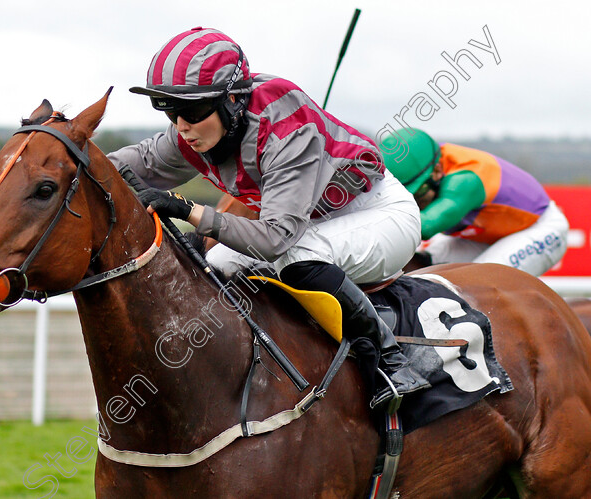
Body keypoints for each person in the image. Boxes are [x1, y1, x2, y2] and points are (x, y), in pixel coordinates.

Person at [107, 27, 429, 408]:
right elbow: (134, 164)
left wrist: (186, 209)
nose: (181, 127)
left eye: (191, 111)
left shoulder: (286, 131)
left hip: (378, 213)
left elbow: (275, 239)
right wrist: (68, 161)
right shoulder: (195, 132)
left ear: (232, 101)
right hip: (310, 223)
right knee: (217, 263)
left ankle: (392, 364)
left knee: (297, 257)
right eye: (169, 111)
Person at [379, 128, 569, 276]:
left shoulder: (465, 180)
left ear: (437, 172)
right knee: (422, 269)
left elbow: (425, 226)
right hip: (485, 234)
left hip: (539, 229)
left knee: (482, 285)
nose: (410, 201)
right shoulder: (426, 163)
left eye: (416, 192)